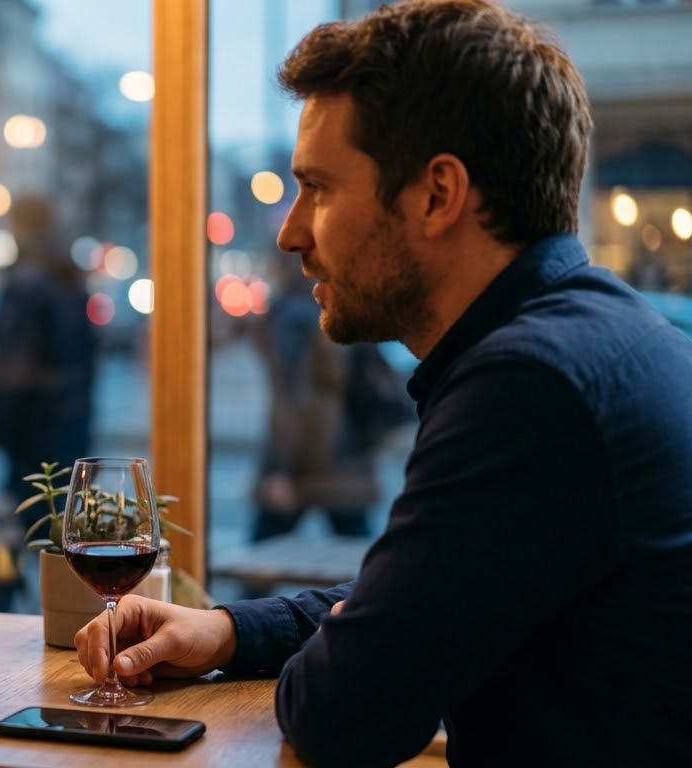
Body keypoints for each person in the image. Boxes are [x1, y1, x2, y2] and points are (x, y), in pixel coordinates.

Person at [75, 1, 692, 765]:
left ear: (437, 195)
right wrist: (232, 632)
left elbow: (344, 712)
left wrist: (343, 648)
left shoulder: (529, 388)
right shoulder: (608, 337)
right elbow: (413, 605)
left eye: (319, 189)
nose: (290, 231)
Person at [0, 194, 96, 611]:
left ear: (17, 226)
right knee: (57, 540)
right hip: (71, 433)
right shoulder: (70, 279)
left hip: (30, 437)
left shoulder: (25, 284)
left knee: (8, 539)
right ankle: (62, 624)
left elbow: (10, 372)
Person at [250, 257, 410, 545]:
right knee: (361, 561)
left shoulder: (290, 317)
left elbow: (291, 401)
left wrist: (278, 469)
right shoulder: (343, 306)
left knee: (259, 557)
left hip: (308, 462)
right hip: (350, 458)